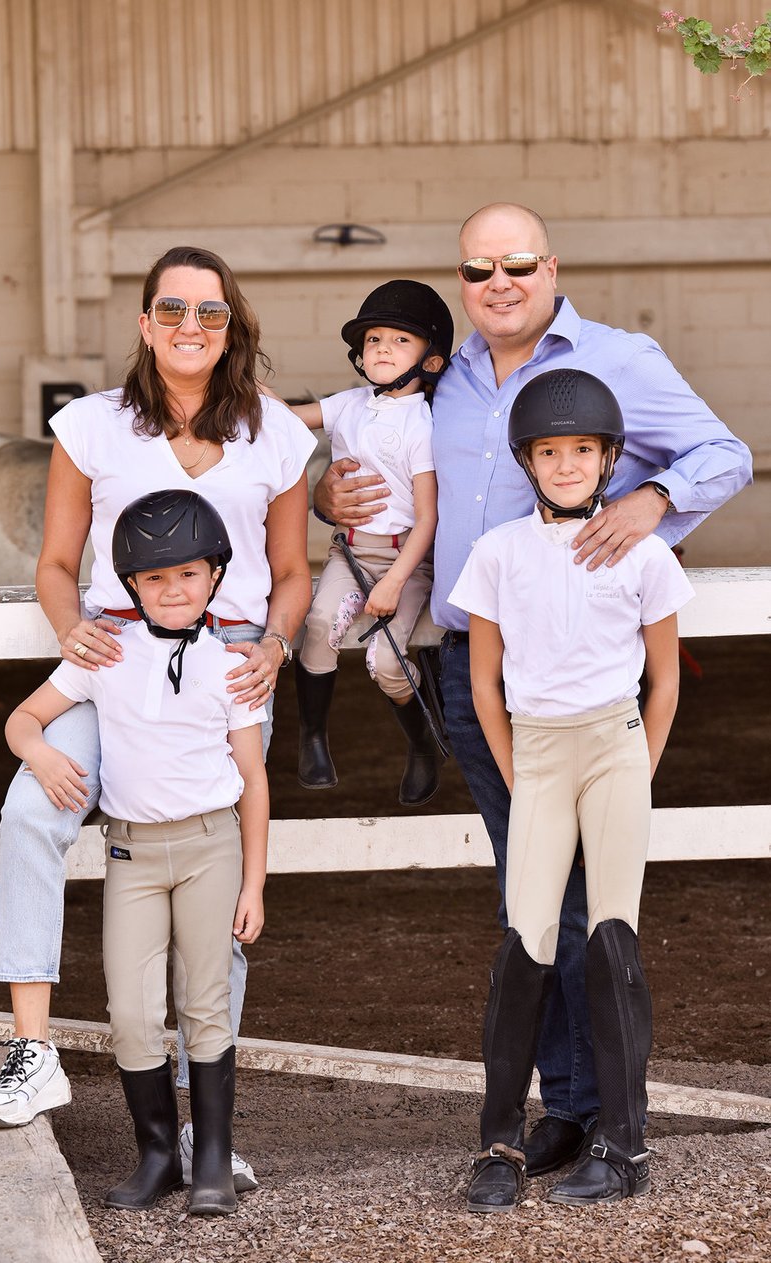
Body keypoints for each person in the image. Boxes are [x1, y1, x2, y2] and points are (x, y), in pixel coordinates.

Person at [313, 203, 752, 1178]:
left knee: (588, 906)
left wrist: (652, 499)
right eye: (477, 269)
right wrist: (322, 498)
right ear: (460, 280)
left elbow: (721, 456)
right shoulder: (441, 375)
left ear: (550, 267)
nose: (497, 282)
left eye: (516, 263)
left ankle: (604, 1120)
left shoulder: (616, 357)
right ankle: (563, 1107)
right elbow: (382, 469)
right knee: (527, 896)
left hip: (578, 681)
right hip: (475, 674)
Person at [0, 246, 316, 1197]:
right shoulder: (93, 426)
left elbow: (292, 573)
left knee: (220, 867)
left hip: (230, 657)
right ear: (145, 322)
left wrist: (276, 647)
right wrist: (71, 629)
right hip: (116, 650)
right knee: (30, 809)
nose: (190, 327)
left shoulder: (275, 434)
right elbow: (55, 561)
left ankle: (209, 1122)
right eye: (173, 309)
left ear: (231, 324)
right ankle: (32, 1047)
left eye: (210, 313)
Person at [449, 368, 694, 1210]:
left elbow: (663, 681)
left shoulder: (645, 553)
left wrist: (638, 766)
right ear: (528, 461)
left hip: (615, 746)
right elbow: (485, 685)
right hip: (542, 751)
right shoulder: (498, 553)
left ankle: (625, 1146)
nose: (565, 465)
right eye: (549, 452)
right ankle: (498, 1145)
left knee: (612, 941)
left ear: (607, 457)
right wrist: (523, 775)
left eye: (580, 451)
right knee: (526, 944)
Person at [0, 490, 267, 1215]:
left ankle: (208, 1154)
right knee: (133, 1008)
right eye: (154, 578)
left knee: (206, 1000)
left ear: (214, 575)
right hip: (133, 855)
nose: (172, 589)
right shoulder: (104, 656)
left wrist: (256, 882)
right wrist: (41, 757)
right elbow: (24, 718)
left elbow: (254, 778)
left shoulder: (232, 665)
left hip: (211, 847)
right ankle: (155, 1153)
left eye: (187, 574)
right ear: (131, 585)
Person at [290, 280, 453, 805]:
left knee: (387, 661)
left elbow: (427, 518)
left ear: (430, 361)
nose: (382, 348)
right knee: (317, 627)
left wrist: (397, 581)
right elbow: (291, 420)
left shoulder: (425, 424)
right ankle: (313, 736)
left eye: (399, 340)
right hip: (350, 550)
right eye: (374, 339)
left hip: (404, 557)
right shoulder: (350, 404)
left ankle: (421, 743)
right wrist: (251, 395)